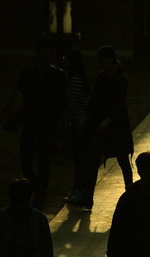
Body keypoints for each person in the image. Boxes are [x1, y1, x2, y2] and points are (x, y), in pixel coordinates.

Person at [73, 45, 135, 210]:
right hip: (101, 125)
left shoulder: (119, 79)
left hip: (116, 126)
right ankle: (88, 196)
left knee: (122, 161)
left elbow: (119, 104)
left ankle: (130, 195)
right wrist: (87, 119)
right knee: (93, 161)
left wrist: (107, 120)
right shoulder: (102, 77)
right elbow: (95, 100)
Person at [17, 38, 66, 210]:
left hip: (42, 121)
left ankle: (38, 191)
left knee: (39, 158)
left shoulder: (33, 73)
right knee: (33, 157)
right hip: (38, 121)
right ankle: (38, 190)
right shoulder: (54, 74)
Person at [62, 48, 92, 205]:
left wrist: (66, 121)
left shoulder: (74, 80)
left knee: (79, 158)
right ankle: (80, 189)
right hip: (83, 122)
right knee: (82, 158)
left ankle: (78, 189)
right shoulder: (82, 79)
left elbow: (72, 104)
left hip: (77, 122)